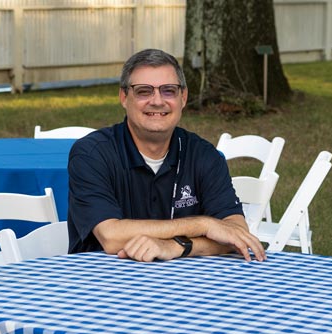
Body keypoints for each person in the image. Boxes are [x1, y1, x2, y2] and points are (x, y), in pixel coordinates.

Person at [67, 49, 266, 262]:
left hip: (186, 285)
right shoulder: (91, 155)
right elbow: (111, 237)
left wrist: (177, 246)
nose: (157, 101)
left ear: (184, 97)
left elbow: (236, 233)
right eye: (144, 91)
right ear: (124, 97)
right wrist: (203, 225)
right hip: (101, 284)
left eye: (168, 90)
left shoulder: (204, 155)